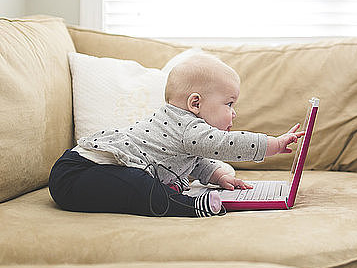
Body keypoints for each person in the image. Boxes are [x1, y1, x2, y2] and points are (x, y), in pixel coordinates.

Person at [48, 53, 304, 218]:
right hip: (78, 173)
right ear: (195, 103)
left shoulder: (186, 133)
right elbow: (224, 145)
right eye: (229, 104)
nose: (234, 114)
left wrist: (220, 176)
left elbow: (195, 159)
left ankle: (170, 193)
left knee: (142, 183)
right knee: (142, 185)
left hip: (84, 175)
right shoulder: (186, 127)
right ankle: (188, 207)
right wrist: (272, 144)